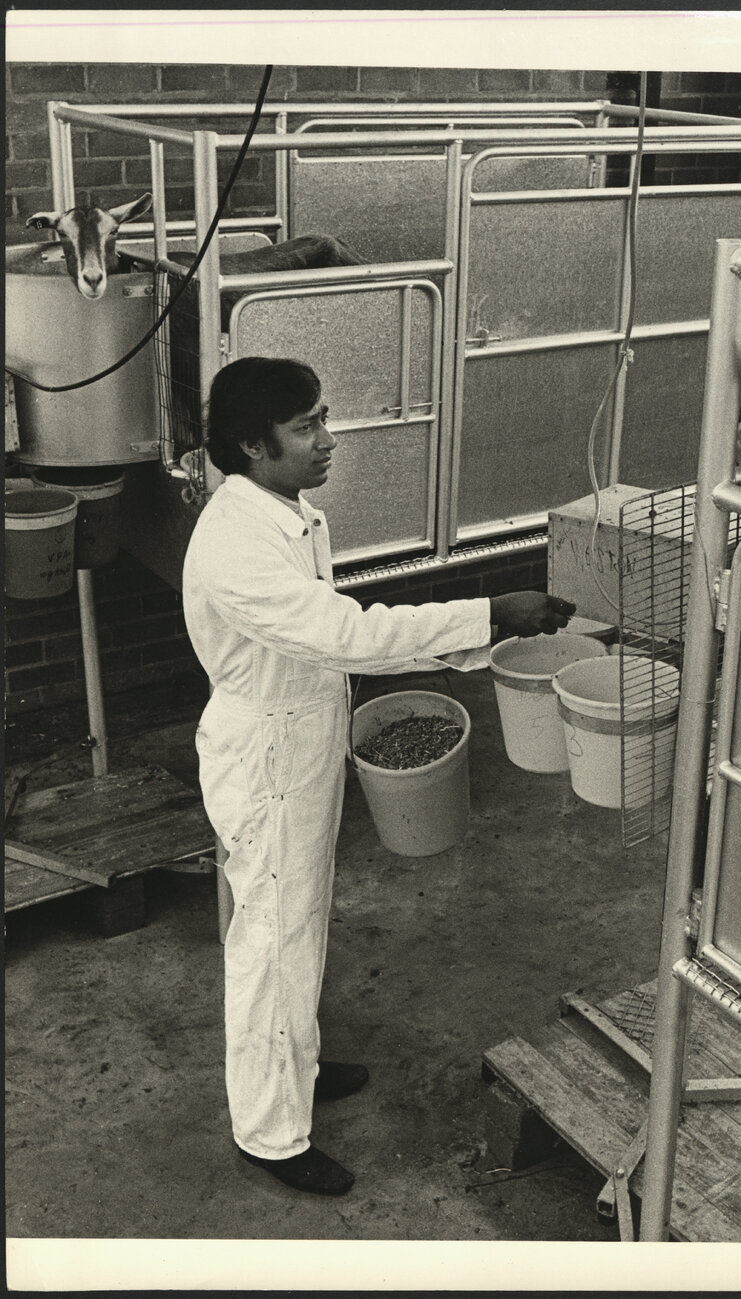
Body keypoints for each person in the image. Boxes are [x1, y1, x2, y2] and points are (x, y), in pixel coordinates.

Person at [182, 356, 574, 1196]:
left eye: (326, 417)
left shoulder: (282, 509)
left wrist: (479, 635)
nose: (330, 440)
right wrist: (489, 614)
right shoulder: (234, 543)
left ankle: (299, 1063)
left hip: (301, 738)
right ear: (254, 445)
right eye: (307, 427)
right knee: (272, 938)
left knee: (301, 919)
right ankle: (270, 1131)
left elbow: (341, 640)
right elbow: (345, 634)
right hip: (268, 755)